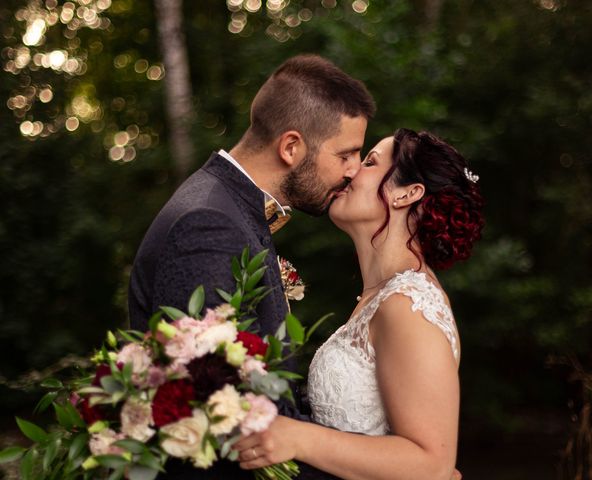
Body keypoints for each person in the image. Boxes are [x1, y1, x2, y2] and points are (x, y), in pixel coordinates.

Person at [127, 54, 375, 479]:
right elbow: (214, 418)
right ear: (291, 147)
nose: (353, 171)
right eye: (347, 154)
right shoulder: (209, 222)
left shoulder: (226, 205)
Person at [234, 128, 484, 480]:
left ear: (407, 194)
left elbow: (431, 465)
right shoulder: (380, 298)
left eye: (369, 162)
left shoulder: (407, 305)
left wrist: (299, 438)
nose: (350, 171)